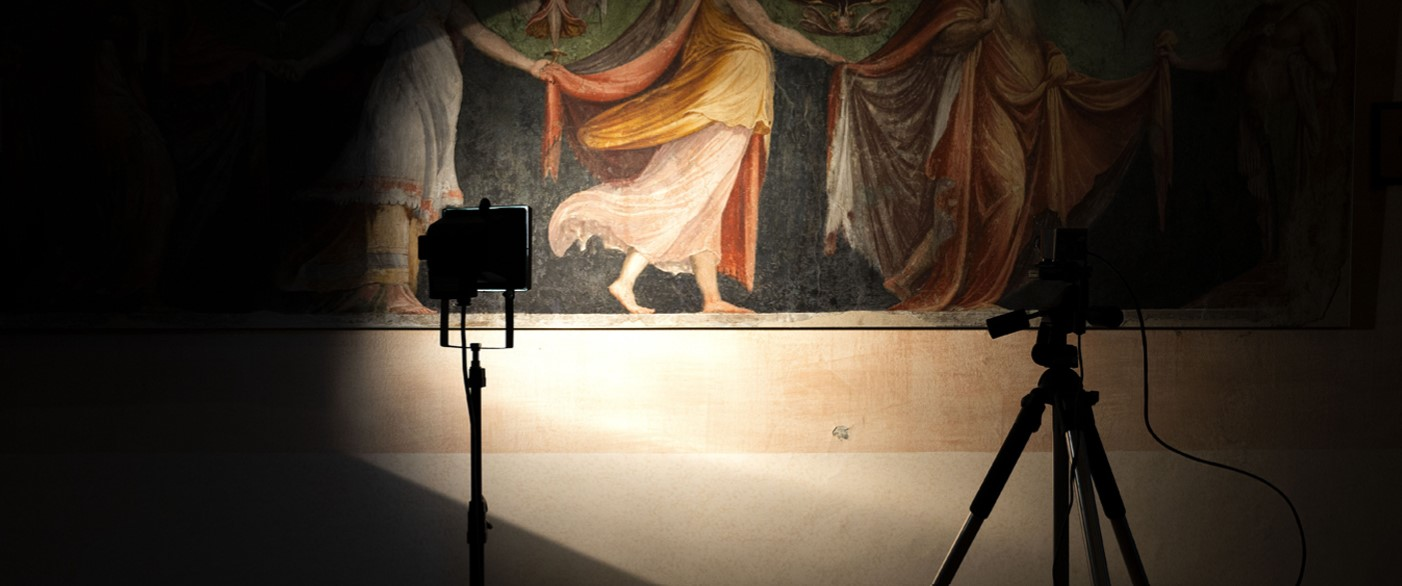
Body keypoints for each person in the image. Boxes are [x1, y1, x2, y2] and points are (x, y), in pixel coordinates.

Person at [825, 0, 1173, 311]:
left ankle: (912, 276)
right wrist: (983, 25)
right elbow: (944, 40)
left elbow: (1030, 39)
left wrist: (1052, 56)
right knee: (1008, 194)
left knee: (975, 208)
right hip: (989, 100)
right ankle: (979, 294)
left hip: (1031, 103)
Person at [543, 0, 845, 314]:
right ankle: (625, 281)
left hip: (727, 104)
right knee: (684, 199)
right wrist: (826, 54)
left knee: (705, 206)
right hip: (724, 104)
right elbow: (770, 30)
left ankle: (710, 298)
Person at [271, 0, 549, 313]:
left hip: (440, 94)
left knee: (417, 184)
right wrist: (305, 64)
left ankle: (399, 287)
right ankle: (383, 286)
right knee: (391, 174)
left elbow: (480, 34)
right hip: (399, 86)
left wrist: (530, 65)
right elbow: (347, 36)